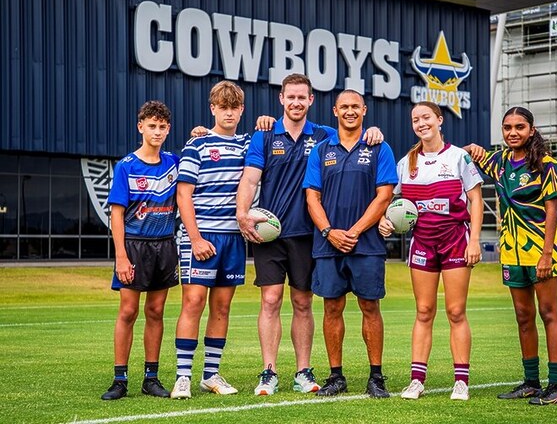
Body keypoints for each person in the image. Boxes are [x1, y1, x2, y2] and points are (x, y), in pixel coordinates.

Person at [233, 74, 384, 396]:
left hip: (309, 234)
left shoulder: (325, 135)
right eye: (291, 97)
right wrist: (242, 213)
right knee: (270, 300)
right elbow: (249, 180)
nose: (297, 102)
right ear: (282, 99)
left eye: (303, 97)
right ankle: (269, 372)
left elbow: (353, 132)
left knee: (303, 302)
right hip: (270, 232)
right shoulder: (264, 134)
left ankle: (303, 371)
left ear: (312, 101)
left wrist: (374, 130)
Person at [378, 102, 484, 401]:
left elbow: (476, 200)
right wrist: (386, 219)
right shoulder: (405, 163)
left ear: (439, 120)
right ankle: (416, 380)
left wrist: (474, 240)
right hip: (422, 243)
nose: (421, 123)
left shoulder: (458, 157)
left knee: (455, 311)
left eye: (426, 117)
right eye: (415, 119)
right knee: (424, 311)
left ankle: (461, 380)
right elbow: (390, 200)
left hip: (455, 241)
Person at [466, 106, 557, 406]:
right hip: (511, 250)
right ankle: (531, 382)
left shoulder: (546, 165)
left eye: (520, 127)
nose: (513, 132)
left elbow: (552, 211)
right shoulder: (498, 162)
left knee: (549, 314)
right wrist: (469, 148)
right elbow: (458, 154)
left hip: (541, 251)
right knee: (523, 317)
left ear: (531, 130)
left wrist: (547, 254)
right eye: (507, 127)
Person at [302, 89, 398, 398]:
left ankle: (376, 376)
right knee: (332, 307)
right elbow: (311, 198)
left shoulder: (380, 147)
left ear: (365, 110)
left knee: (370, 306)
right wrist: (331, 232)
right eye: (344, 106)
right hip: (328, 243)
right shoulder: (320, 150)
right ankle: (336, 376)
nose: (350, 111)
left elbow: (384, 196)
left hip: (366, 244)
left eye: (355, 106)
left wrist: (353, 231)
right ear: (335, 111)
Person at [170, 81, 249, 399]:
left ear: (241, 110)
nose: (229, 112)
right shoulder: (197, 145)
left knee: (222, 308)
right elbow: (183, 195)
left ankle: (211, 375)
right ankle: (183, 376)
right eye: (223, 107)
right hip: (200, 237)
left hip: (232, 237)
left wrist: (267, 122)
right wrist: (195, 237)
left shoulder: (247, 145)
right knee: (193, 303)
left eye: (234, 107)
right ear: (213, 108)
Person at [101, 100, 179, 400]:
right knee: (129, 311)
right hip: (134, 246)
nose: (156, 131)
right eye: (151, 126)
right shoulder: (126, 166)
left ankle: (151, 377)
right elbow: (116, 214)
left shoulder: (173, 162)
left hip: (165, 245)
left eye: (162, 127)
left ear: (168, 129)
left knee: (156, 311)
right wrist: (121, 255)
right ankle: (120, 380)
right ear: (140, 127)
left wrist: (199, 133)